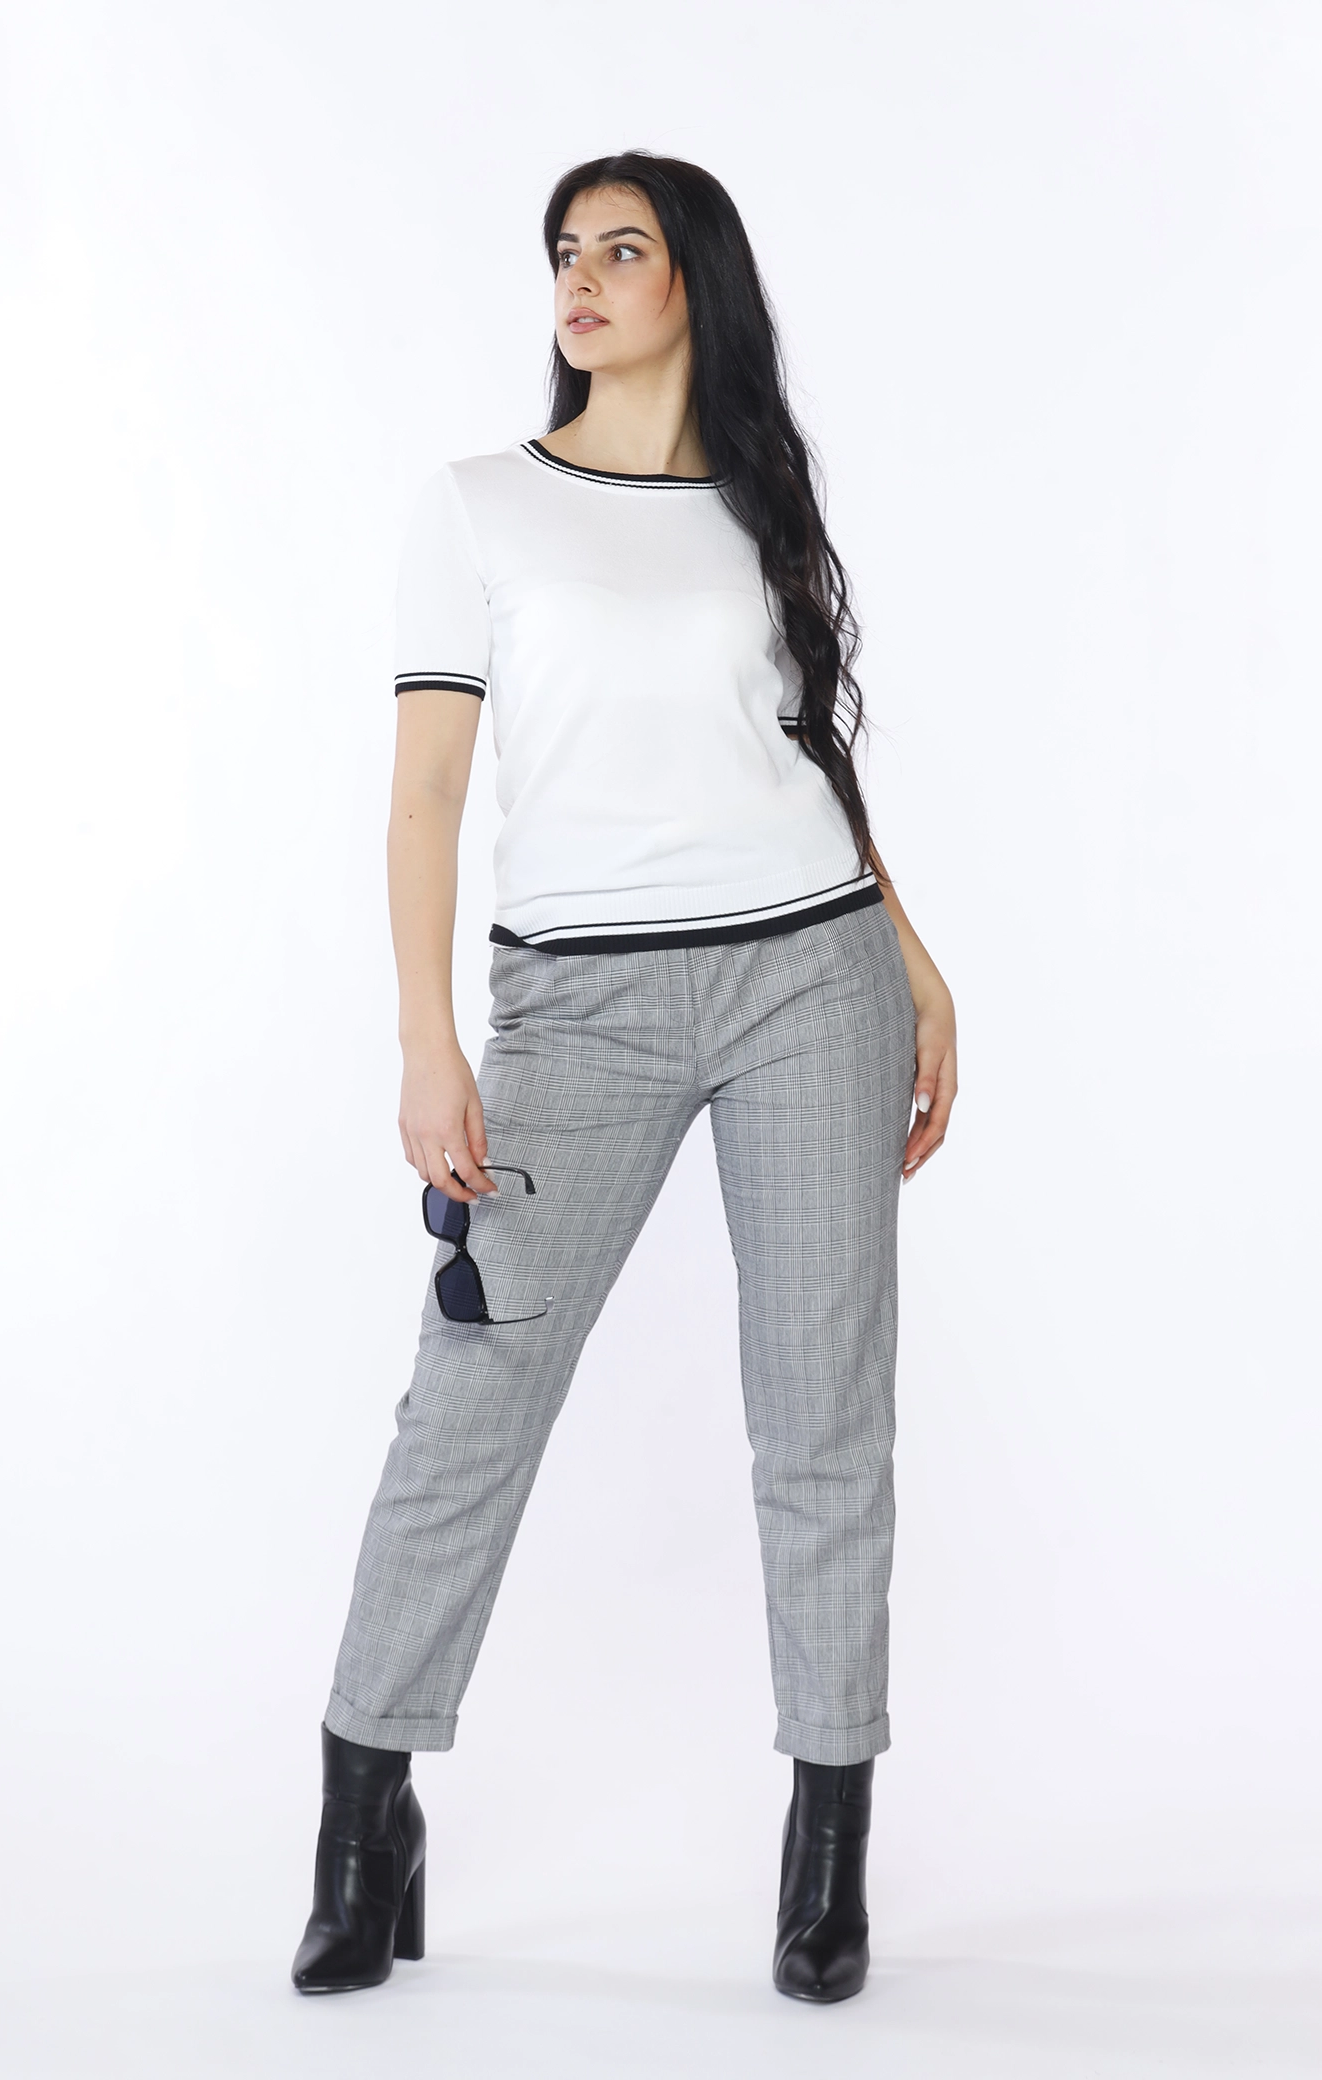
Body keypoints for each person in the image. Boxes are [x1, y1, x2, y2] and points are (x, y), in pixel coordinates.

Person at [291, 150, 958, 2006]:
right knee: (469, 1404)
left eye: (620, 249)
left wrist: (909, 958)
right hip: (573, 1008)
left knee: (823, 1422)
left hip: (811, 976)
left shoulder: (762, 504)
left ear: (692, 282)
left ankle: (825, 1865)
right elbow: (428, 793)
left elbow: (807, 750)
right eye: (562, 253)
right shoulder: (479, 505)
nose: (578, 280)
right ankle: (362, 1820)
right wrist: (428, 1039)